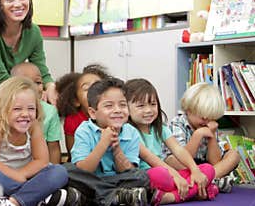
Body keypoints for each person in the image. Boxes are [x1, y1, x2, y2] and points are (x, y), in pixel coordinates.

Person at [0, 77, 73, 206]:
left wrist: (21, 174)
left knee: (59, 171)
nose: (25, 114)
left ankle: (15, 201)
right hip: (1, 177)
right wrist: (17, 177)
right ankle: (38, 198)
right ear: (2, 109)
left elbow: (41, 161)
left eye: (31, 108)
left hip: (27, 176)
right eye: (17, 109)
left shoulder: (34, 127)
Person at [125, 78, 218, 205]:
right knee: (160, 174)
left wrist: (195, 170)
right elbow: (150, 158)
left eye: (153, 104)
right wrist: (175, 175)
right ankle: (196, 192)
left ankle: (169, 196)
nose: (148, 110)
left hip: (167, 173)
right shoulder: (128, 131)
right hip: (146, 176)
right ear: (126, 108)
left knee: (207, 169)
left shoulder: (160, 128)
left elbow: (178, 150)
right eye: (141, 106)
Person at [64, 77, 150, 206]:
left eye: (122, 104)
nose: (117, 110)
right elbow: (84, 169)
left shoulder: (131, 132)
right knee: (66, 171)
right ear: (93, 113)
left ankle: (92, 198)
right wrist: (103, 143)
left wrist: (117, 149)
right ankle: (115, 196)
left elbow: (126, 171)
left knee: (142, 176)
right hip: (90, 179)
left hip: (117, 179)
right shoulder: (84, 130)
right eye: (109, 106)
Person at [163, 82, 240, 193]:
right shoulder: (178, 123)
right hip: (185, 166)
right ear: (188, 110)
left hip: (206, 167)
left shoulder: (209, 125)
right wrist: (197, 135)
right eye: (202, 117)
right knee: (171, 160)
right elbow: (182, 158)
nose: (206, 121)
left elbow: (215, 162)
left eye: (210, 118)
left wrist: (212, 135)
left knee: (234, 155)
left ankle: (207, 180)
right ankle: (209, 182)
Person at [11, 62, 62, 164]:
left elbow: (54, 148)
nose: (34, 87)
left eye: (38, 82)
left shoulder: (50, 111)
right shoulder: (6, 109)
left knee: (60, 173)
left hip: (39, 167)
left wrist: (53, 170)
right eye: (27, 83)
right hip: (10, 165)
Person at [56, 64, 110, 161]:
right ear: (76, 100)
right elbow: (73, 156)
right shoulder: (72, 121)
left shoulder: (113, 116)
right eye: (87, 89)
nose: (94, 91)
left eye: (98, 86)